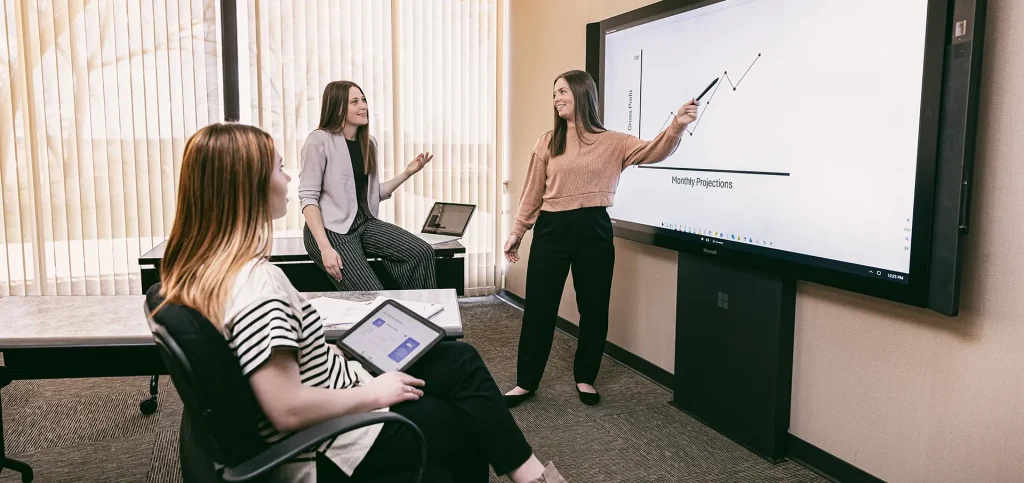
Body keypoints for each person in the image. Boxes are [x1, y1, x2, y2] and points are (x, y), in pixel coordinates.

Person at [154, 123, 566, 482]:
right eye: (279, 168)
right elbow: (286, 409)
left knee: (459, 359)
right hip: (336, 439)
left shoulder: (205, 272)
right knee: (468, 420)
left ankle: (530, 476)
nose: (290, 178)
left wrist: (326, 348)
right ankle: (532, 477)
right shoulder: (258, 285)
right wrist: (375, 392)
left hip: (338, 384)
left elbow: (270, 361)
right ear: (247, 187)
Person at [502, 70, 699, 407]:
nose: (556, 98)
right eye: (554, 94)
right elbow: (532, 192)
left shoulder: (614, 142)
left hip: (593, 228)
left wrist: (677, 125)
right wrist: (517, 232)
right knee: (539, 308)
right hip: (552, 230)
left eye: (562, 91)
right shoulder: (548, 141)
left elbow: (655, 151)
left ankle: (585, 377)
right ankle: (526, 382)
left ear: (582, 93)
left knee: (593, 310)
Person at [299, 80, 437, 291]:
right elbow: (308, 198)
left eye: (363, 100)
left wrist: (408, 173)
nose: (363, 106)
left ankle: (421, 317)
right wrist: (325, 248)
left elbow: (372, 194)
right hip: (331, 231)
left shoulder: (368, 143)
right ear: (337, 108)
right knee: (373, 297)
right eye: (354, 101)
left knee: (421, 252)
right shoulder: (318, 140)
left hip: (363, 223)